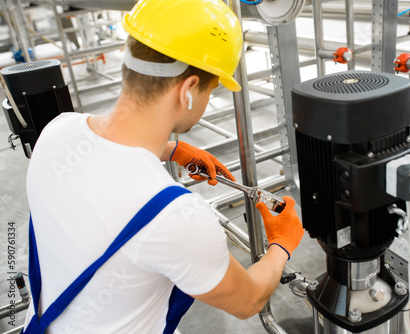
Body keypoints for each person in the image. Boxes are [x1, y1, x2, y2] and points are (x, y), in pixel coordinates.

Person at [22, 0, 304, 333]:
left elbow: (104, 163)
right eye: (211, 90)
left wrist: (171, 150)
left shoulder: (58, 130)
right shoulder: (174, 216)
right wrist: (281, 245)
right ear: (188, 90)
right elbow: (249, 300)